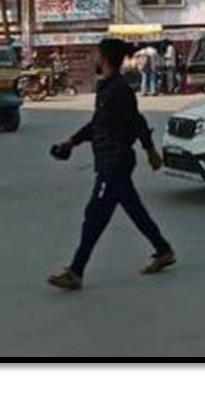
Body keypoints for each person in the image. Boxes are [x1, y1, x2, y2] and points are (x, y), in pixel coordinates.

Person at [47, 38, 175, 291]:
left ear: (104, 59)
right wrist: (71, 142)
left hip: (114, 162)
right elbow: (98, 124)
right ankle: (163, 250)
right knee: (134, 210)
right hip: (108, 159)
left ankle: (75, 272)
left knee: (94, 216)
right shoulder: (107, 88)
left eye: (97, 55)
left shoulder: (119, 90)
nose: (95, 59)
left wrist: (150, 151)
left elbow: (137, 122)